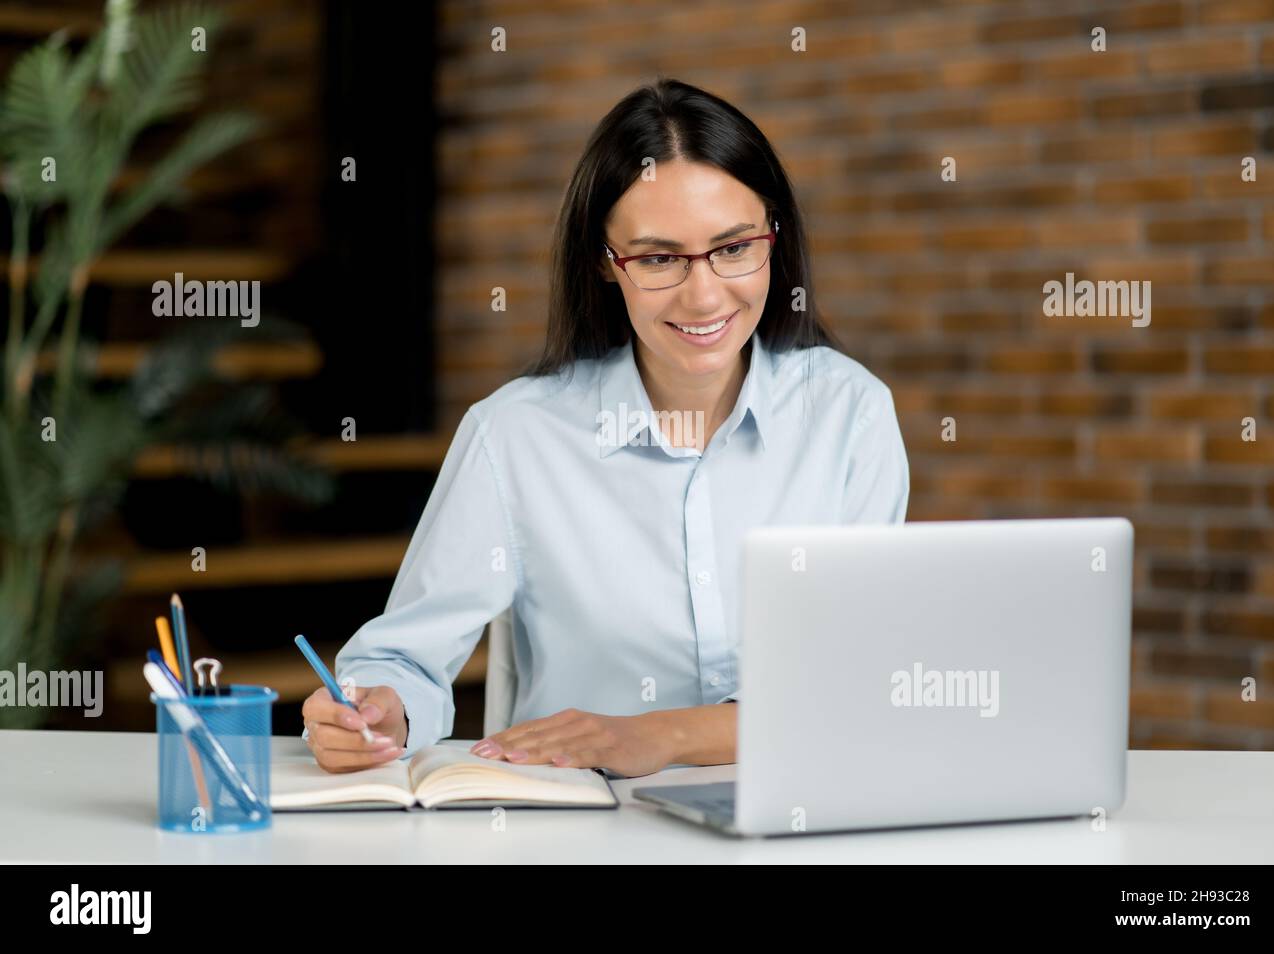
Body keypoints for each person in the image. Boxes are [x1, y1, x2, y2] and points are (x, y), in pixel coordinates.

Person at [302, 77, 909, 777]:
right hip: (577, 830)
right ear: (603, 263)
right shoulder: (517, 436)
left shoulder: (848, 417)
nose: (705, 293)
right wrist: (382, 712)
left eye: (735, 247)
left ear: (775, 235)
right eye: (658, 259)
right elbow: (404, 660)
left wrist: (662, 736)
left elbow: (853, 684)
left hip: (798, 818)